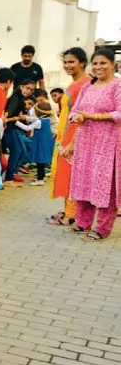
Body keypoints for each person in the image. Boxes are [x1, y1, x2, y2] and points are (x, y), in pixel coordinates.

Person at [66, 48, 121, 241]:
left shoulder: (117, 85)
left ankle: (103, 228)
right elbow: (75, 110)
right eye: (95, 63)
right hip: (85, 142)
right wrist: (76, 117)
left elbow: (119, 113)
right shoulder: (88, 86)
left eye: (103, 63)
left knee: (105, 185)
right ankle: (82, 222)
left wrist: (92, 116)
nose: (98, 67)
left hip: (108, 143)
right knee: (84, 181)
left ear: (112, 64)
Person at [49, 47, 91, 226]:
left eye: (71, 61)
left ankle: (71, 214)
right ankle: (68, 209)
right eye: (65, 62)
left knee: (72, 175)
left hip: (75, 137)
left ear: (82, 62)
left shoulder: (86, 84)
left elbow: (83, 114)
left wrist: (73, 141)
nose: (67, 65)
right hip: (64, 135)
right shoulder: (75, 83)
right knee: (66, 174)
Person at [3, 80, 37, 186]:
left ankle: (9, 177)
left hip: (13, 127)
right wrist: (15, 117)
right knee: (16, 151)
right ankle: (8, 178)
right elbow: (8, 113)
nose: (29, 91)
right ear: (21, 87)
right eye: (28, 88)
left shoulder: (20, 98)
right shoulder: (16, 98)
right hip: (9, 128)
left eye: (31, 90)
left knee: (17, 151)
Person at [27, 101, 55, 186]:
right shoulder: (46, 120)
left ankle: (40, 179)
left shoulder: (39, 122)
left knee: (40, 160)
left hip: (40, 143)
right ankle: (41, 176)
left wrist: (17, 122)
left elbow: (27, 127)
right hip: (45, 142)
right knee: (41, 161)